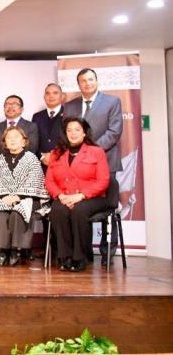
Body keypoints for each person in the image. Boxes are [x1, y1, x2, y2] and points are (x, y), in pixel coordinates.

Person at [63, 68, 122, 266]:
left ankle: (107, 251)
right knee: (80, 208)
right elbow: (66, 134)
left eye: (90, 79)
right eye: (83, 80)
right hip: (77, 167)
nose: (87, 83)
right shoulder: (70, 106)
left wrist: (89, 151)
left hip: (106, 161)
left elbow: (114, 132)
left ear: (96, 81)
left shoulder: (112, 102)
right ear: (78, 84)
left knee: (108, 207)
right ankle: (83, 252)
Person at [45, 117, 110, 272]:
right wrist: (60, 196)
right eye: (69, 130)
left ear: (84, 133)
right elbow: (49, 181)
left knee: (79, 210)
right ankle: (65, 257)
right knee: (58, 210)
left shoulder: (96, 152)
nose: (73, 133)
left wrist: (81, 196)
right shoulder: (56, 154)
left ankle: (80, 257)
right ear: (65, 133)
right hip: (65, 196)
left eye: (77, 129)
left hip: (92, 197)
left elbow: (103, 181)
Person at [0, 127, 48, 267]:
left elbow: (35, 180)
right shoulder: (1, 159)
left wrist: (18, 196)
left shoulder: (31, 159)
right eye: (9, 138)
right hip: (4, 197)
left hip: (28, 197)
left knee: (17, 212)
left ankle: (17, 249)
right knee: (1, 211)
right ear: (5, 143)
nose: (12, 140)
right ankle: (2, 249)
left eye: (16, 137)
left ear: (24, 141)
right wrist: (4, 196)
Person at [0, 95, 40, 161]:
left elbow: (32, 149)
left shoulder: (31, 126)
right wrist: (2, 164)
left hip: (24, 166)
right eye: (7, 104)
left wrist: (17, 165)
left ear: (21, 109)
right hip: (1, 166)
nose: (10, 107)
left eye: (14, 104)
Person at [31, 83, 66, 169]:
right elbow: (33, 141)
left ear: (62, 96)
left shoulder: (69, 113)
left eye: (55, 93)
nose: (51, 96)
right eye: (47, 93)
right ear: (44, 97)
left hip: (64, 163)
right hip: (42, 166)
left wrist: (56, 156)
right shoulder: (37, 116)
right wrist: (41, 157)